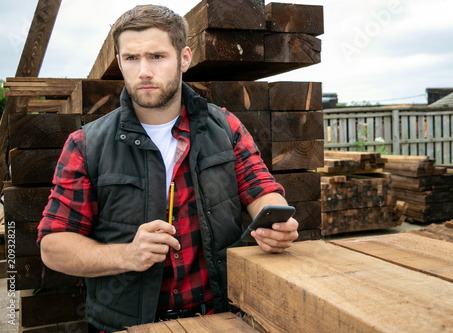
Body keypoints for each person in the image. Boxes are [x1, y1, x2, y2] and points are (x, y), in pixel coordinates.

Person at [37, 4, 298, 333]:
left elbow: (262, 190)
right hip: (126, 326)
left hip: (218, 318)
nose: (143, 71)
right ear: (119, 62)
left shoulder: (225, 127)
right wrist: (127, 255)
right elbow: (53, 246)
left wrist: (276, 222)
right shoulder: (86, 145)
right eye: (131, 58)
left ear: (184, 58)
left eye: (157, 56)